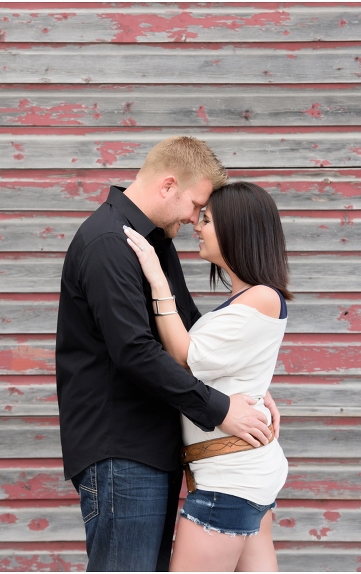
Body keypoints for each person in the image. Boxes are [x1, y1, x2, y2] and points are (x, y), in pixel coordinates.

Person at [56, 137, 280, 572]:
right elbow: (135, 352)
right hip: (121, 449)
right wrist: (221, 411)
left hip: (151, 449)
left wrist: (248, 395)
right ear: (168, 186)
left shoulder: (152, 241)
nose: (196, 218)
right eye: (196, 205)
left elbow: (193, 338)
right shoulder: (109, 243)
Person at [123, 182, 291, 571]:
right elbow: (235, 362)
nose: (197, 226)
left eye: (208, 219)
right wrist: (258, 390)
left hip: (230, 479)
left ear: (237, 229)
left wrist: (157, 278)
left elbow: (185, 356)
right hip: (240, 471)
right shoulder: (248, 299)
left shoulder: (260, 297)